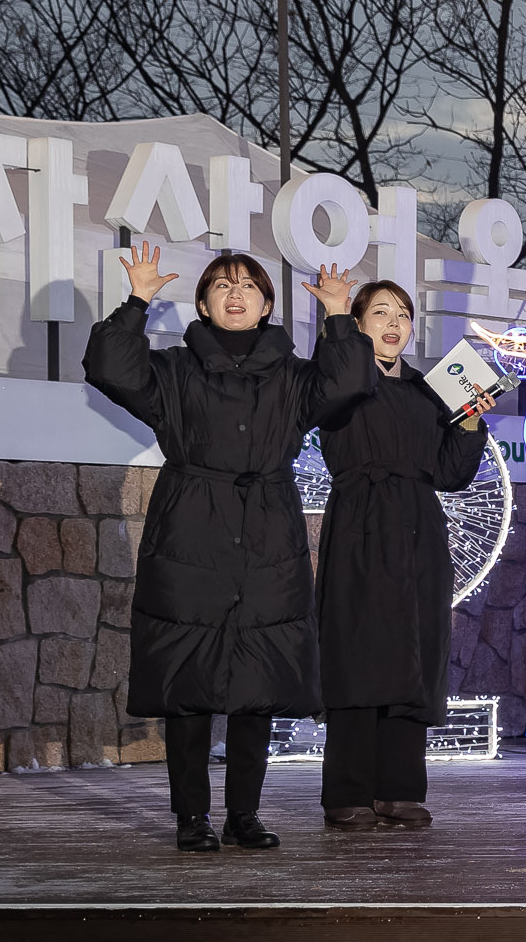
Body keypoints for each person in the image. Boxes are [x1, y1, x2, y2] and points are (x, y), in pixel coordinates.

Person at [83, 244, 372, 853]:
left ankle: (245, 814)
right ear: (203, 303)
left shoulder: (295, 377)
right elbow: (109, 367)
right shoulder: (174, 371)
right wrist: (136, 300)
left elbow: (349, 382)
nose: (234, 293)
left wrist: (340, 315)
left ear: (267, 304)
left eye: (247, 286)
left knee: (257, 686)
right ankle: (191, 818)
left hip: (269, 534)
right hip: (190, 531)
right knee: (187, 686)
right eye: (220, 285)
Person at [312, 279, 497, 831]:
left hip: (420, 530)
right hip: (361, 526)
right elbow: (335, 380)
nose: (395, 324)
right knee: (357, 653)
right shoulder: (343, 378)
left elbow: (450, 472)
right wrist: (336, 318)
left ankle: (398, 788)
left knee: (414, 655)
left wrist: (468, 422)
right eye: (381, 313)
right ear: (360, 322)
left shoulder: (429, 389)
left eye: (404, 315)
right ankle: (348, 790)